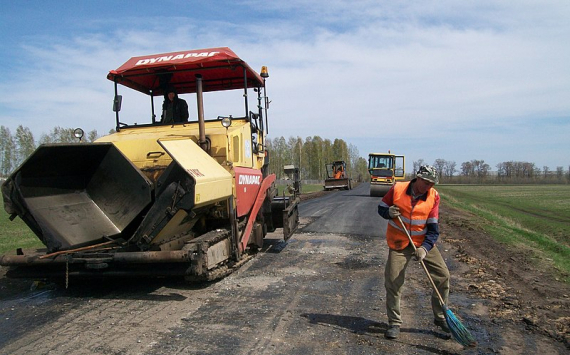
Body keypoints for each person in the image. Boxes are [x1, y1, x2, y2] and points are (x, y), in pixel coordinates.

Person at [377, 165, 450, 340]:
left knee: (443, 275)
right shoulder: (398, 188)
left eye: (431, 183)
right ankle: (394, 323)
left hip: (422, 243)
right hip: (399, 242)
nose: (428, 186)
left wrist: (424, 249)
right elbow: (380, 207)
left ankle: (440, 317)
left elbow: (433, 230)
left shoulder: (434, 197)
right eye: (426, 182)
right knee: (394, 281)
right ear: (418, 178)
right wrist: (388, 212)